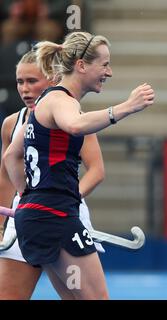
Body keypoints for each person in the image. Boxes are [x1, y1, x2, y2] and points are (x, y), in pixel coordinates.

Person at [2, 31, 155, 299]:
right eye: (104, 64)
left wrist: (27, 196)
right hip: (55, 217)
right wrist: (125, 108)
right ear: (82, 66)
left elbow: (11, 156)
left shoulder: (44, 104)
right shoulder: (61, 101)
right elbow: (74, 125)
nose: (109, 72)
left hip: (37, 217)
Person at [0, 50, 107, 299]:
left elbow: (97, 170)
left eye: (32, 81)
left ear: (51, 80)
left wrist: (65, 198)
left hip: (63, 211)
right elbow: (6, 174)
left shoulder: (76, 120)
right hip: (26, 215)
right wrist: (3, 224)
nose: (25, 89)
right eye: (20, 82)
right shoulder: (11, 124)